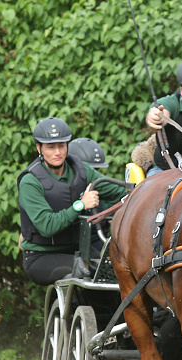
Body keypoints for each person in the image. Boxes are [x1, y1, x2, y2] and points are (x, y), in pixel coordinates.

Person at [17, 118, 126, 285]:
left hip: (78, 250)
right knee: (84, 272)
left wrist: (146, 190)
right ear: (39, 148)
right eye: (50, 147)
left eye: (61, 145)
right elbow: (47, 226)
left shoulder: (81, 170)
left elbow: (116, 191)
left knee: (115, 268)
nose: (57, 152)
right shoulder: (30, 181)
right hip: (41, 256)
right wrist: (80, 205)